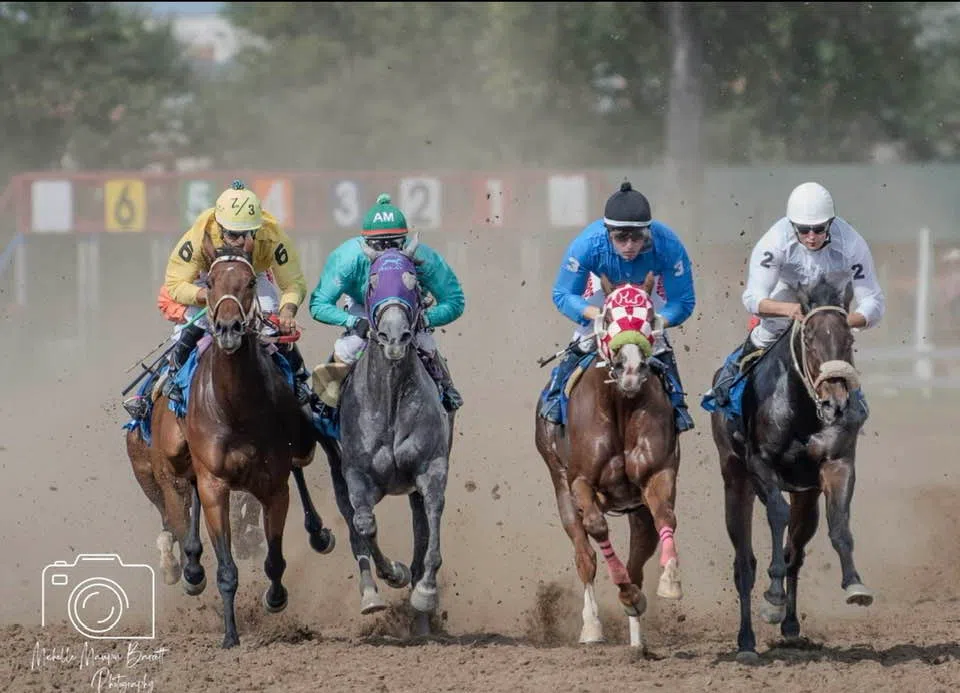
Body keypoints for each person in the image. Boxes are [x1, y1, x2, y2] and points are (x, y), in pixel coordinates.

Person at [705, 180, 885, 409]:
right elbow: (753, 298)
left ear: (830, 223)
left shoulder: (853, 244)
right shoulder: (774, 241)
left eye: (819, 229)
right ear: (792, 225)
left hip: (830, 302)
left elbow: (873, 301)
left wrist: (843, 322)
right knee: (770, 329)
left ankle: (854, 401)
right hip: (790, 293)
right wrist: (788, 310)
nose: (811, 236)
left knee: (834, 339)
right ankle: (731, 377)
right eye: (803, 229)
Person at [538, 180, 697, 433]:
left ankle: (677, 405)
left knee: (658, 342)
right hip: (604, 290)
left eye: (637, 237)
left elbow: (683, 301)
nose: (629, 245)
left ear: (648, 231)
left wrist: (658, 321)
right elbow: (563, 293)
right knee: (586, 340)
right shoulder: (587, 244)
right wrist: (596, 315)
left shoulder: (668, 244)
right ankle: (556, 397)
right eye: (621, 237)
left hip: (647, 292)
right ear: (607, 232)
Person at [309, 193, 466, 416]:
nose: (388, 252)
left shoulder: (425, 259)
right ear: (365, 243)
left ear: (405, 241)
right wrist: (352, 321)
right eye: (379, 245)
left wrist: (426, 319)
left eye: (394, 244)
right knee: (350, 346)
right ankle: (326, 397)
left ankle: (444, 386)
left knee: (425, 342)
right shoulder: (347, 259)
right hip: (365, 306)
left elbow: (455, 300)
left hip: (409, 308)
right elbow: (318, 303)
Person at [159, 179, 312, 407]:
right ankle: (173, 374)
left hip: (252, 274)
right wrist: (209, 296)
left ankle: (298, 378)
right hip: (211, 276)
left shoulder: (272, 235)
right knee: (196, 319)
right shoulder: (199, 235)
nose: (241, 241)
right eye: (233, 234)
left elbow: (294, 282)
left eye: (248, 233)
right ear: (220, 227)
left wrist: (287, 312)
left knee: (270, 320)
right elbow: (174, 283)